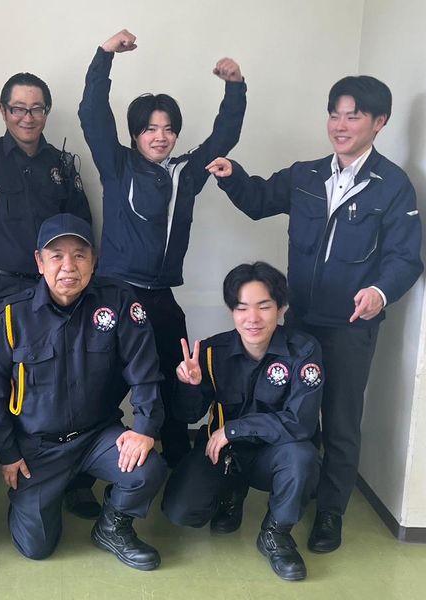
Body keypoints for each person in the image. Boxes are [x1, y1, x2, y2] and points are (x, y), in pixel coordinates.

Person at [208, 75, 424, 553]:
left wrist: (379, 292)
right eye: (334, 115)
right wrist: (231, 176)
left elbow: (405, 258)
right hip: (299, 324)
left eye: (353, 116)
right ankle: (299, 490)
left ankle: (330, 512)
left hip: (350, 328)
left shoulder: (393, 186)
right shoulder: (305, 175)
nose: (340, 125)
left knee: (341, 421)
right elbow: (259, 200)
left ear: (379, 122)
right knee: (294, 414)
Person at [78, 29, 247, 467]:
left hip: (160, 296)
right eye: (151, 128)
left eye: (169, 129)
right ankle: (84, 471)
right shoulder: (117, 164)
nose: (160, 136)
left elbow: (224, 137)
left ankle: (175, 457)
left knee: (176, 373)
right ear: (136, 133)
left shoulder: (186, 173)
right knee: (105, 383)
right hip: (115, 294)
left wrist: (235, 87)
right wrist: (104, 55)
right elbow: (92, 113)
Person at [0, 213, 167, 571]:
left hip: (97, 436)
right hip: (38, 447)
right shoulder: (10, 317)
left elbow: (145, 372)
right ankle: (39, 500)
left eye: (79, 255)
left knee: (147, 468)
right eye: (56, 255)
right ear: (39, 262)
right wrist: (8, 453)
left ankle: (112, 527)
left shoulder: (118, 302)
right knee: (36, 547)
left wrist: (144, 428)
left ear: (94, 261)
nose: (68, 266)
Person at [0, 72, 96, 514]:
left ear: (46, 112)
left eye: (36, 109)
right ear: (4, 111)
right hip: (7, 286)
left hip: (58, 287)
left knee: (68, 374)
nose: (28, 117)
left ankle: (77, 476)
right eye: (18, 109)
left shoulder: (62, 164)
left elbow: (82, 227)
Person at [162, 262, 323, 581]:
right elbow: (188, 415)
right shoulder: (211, 351)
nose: (252, 318)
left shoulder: (303, 351)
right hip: (223, 454)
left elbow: (300, 423)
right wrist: (189, 385)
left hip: (273, 455)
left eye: (264, 306)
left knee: (302, 457)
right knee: (181, 511)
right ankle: (231, 493)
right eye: (242, 308)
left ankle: (276, 534)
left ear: (281, 308)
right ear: (232, 311)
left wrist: (234, 429)